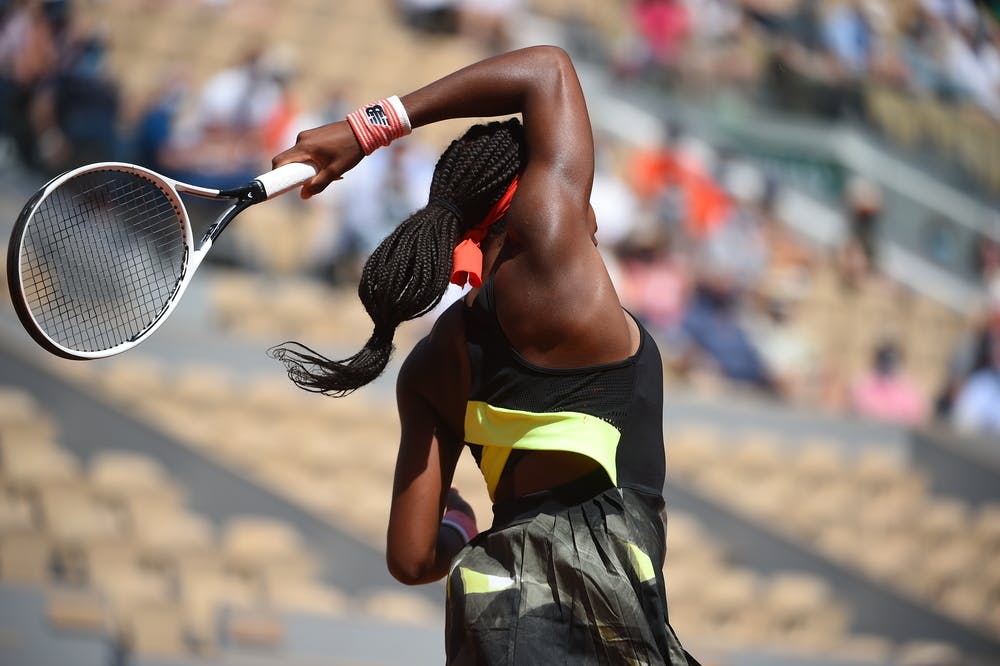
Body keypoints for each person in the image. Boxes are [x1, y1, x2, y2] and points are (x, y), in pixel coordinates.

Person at [269, 46, 698, 665]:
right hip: (601, 626)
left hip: (493, 621)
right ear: (533, 198)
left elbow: (413, 558)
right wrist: (365, 131)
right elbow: (547, 69)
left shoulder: (427, 366)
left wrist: (463, 526)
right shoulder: (551, 256)